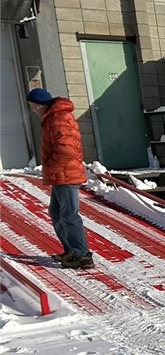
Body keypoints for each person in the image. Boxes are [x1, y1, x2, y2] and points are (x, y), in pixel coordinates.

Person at [26, 87, 93, 269]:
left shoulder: (58, 118)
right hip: (61, 175)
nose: (32, 109)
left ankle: (82, 255)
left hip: (66, 175)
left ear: (39, 105)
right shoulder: (52, 117)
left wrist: (51, 168)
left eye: (32, 105)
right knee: (56, 213)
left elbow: (66, 150)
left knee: (69, 216)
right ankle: (71, 250)